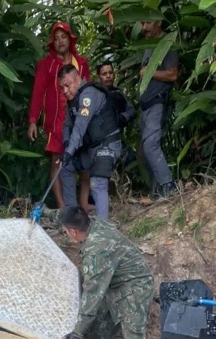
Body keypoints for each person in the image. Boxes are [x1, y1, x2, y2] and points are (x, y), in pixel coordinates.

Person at [58, 204, 157, 339]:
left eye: (65, 231)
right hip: (114, 282)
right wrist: (45, 211)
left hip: (135, 284)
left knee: (133, 330)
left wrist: (78, 333)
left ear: (72, 231)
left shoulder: (97, 252)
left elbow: (92, 294)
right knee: (101, 323)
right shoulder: (92, 223)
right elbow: (67, 216)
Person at [28, 22, 90, 209]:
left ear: (70, 39)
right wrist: (32, 121)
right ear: (52, 43)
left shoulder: (81, 63)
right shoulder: (46, 65)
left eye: (63, 37)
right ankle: (63, 206)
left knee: (85, 160)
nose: (60, 41)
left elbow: (89, 89)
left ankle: (84, 202)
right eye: (56, 38)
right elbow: (38, 93)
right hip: (57, 122)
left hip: (80, 118)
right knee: (57, 162)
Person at [58, 65, 122, 219]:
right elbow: (67, 125)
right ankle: (74, 219)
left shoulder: (88, 94)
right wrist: (67, 144)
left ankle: (103, 229)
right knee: (65, 167)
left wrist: (69, 151)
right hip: (91, 150)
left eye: (68, 85)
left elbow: (80, 126)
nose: (65, 91)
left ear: (78, 79)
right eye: (62, 87)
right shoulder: (73, 100)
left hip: (107, 145)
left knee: (98, 183)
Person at [139, 20, 178, 198]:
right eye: (142, 23)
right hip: (146, 105)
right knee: (146, 147)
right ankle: (157, 191)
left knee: (150, 145)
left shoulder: (166, 43)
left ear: (159, 22)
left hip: (157, 102)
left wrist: (148, 72)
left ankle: (168, 186)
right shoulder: (149, 45)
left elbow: (172, 74)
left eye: (147, 23)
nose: (144, 27)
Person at [96, 61, 136, 132]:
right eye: (104, 74)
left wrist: (122, 118)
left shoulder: (118, 93)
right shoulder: (93, 94)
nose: (108, 76)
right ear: (99, 77)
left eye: (110, 73)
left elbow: (131, 110)